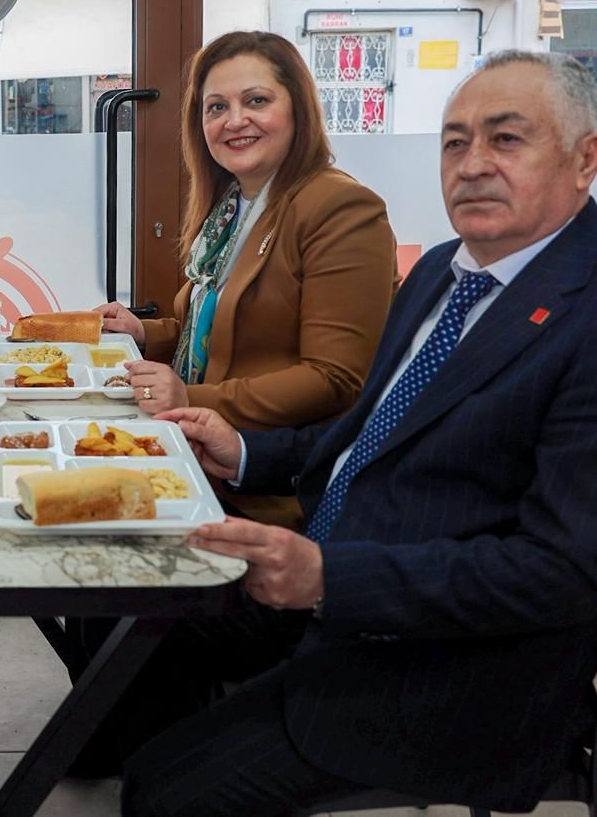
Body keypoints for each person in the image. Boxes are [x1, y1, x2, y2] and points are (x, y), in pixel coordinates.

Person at [116, 51, 597, 817]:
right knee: (132, 611)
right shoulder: (442, 270)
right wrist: (245, 451)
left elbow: (560, 572)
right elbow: (369, 436)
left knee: (162, 789)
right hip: (346, 585)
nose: (473, 164)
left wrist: (330, 579)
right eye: (455, 142)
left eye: (506, 139)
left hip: (452, 672)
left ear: (584, 160)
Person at [98, 31, 397, 528]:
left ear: (298, 109)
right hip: (195, 455)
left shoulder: (341, 207)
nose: (234, 120)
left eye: (256, 100)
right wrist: (143, 333)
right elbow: (218, 331)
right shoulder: (233, 206)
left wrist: (188, 398)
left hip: (267, 488)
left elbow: (335, 378)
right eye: (216, 107)